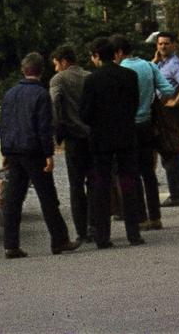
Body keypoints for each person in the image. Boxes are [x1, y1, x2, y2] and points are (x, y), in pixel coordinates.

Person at [0, 53, 76, 258]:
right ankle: (59, 240)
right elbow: (43, 127)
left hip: (14, 150)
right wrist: (48, 154)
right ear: (41, 71)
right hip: (34, 151)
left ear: (23, 70)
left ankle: (10, 244)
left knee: (14, 198)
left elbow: (3, 124)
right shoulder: (41, 95)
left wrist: (6, 151)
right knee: (47, 197)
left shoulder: (10, 94)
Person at [78, 37, 145, 248]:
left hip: (101, 140)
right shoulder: (129, 76)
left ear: (97, 56)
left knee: (101, 186)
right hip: (126, 136)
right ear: (115, 54)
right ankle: (134, 233)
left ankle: (103, 236)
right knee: (128, 183)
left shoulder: (92, 80)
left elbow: (85, 113)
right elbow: (135, 104)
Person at [115, 34, 173, 230]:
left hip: (129, 125)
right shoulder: (149, 66)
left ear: (119, 52)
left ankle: (141, 216)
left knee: (132, 172)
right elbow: (168, 90)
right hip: (148, 124)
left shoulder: (121, 70)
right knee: (148, 172)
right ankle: (155, 216)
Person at [49, 45, 92, 247]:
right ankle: (96, 226)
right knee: (95, 182)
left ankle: (81, 231)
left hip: (73, 137)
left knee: (76, 185)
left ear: (64, 61)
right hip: (92, 135)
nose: (56, 68)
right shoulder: (90, 76)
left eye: (56, 64)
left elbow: (55, 104)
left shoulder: (58, 80)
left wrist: (58, 131)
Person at [152, 31, 179, 207]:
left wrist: (176, 100)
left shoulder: (174, 64)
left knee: (169, 153)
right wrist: (155, 61)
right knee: (175, 153)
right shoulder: (162, 63)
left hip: (170, 112)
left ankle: (176, 194)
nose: (163, 46)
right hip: (164, 111)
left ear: (174, 45)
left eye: (166, 43)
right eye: (160, 43)